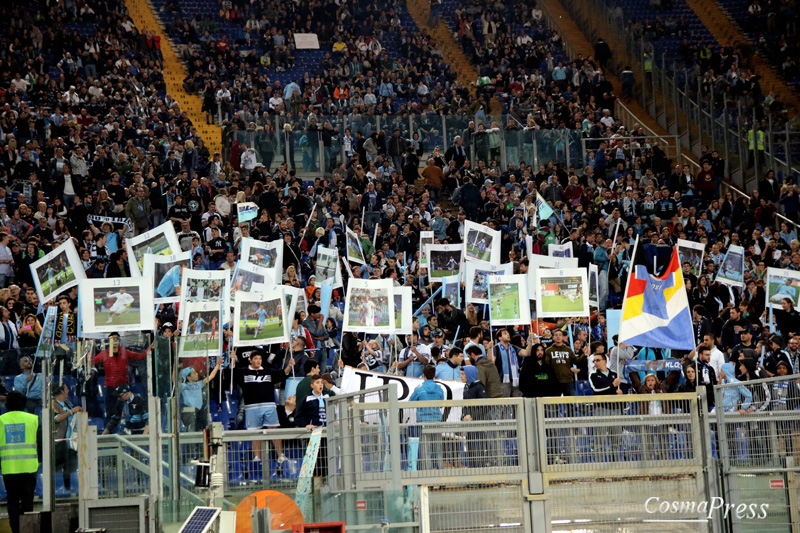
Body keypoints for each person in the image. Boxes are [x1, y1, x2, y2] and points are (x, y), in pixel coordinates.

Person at [231, 349, 296, 466]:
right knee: (255, 433)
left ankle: (280, 455)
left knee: (274, 430)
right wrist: (232, 360)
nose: (258, 361)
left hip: (269, 406)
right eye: (255, 359)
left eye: (260, 359)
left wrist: (289, 366)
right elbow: (233, 372)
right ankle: (257, 458)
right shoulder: (243, 372)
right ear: (250, 361)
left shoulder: (268, 371)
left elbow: (282, 374)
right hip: (252, 408)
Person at [0, 391, 41, 533]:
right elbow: (40, 442)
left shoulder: (1, 420)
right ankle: (27, 529)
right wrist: (39, 460)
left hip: (9, 468)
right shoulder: (33, 419)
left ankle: (16, 530)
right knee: (27, 501)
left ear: (7, 404)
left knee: (12, 501)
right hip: (29, 468)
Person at [92, 333, 152, 429]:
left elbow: (140, 357)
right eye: (112, 339)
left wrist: (150, 348)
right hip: (111, 388)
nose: (115, 341)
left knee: (127, 412)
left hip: (124, 388)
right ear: (109, 341)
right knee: (110, 413)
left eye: (116, 339)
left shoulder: (124, 352)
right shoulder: (104, 353)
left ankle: (127, 430)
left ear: (119, 340)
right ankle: (108, 436)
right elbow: (92, 361)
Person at [408, 365, 445, 470]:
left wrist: (415, 390)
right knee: (438, 450)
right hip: (437, 420)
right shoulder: (439, 389)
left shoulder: (419, 390)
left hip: (424, 421)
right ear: (434, 376)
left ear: (423, 375)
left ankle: (429, 477)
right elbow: (441, 403)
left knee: (426, 450)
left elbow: (410, 403)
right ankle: (441, 477)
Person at [52, 383, 82, 491]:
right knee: (58, 470)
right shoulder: (52, 404)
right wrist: (71, 412)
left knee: (70, 469)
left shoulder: (68, 403)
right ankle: (57, 491)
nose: (68, 390)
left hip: (71, 443)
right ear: (61, 391)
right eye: (66, 389)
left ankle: (69, 489)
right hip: (59, 442)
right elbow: (56, 418)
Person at [180, 357, 222, 431]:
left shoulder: (199, 384)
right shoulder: (184, 386)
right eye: (194, 373)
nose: (197, 374)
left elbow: (211, 376)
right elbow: (174, 381)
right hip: (189, 413)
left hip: (199, 413)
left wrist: (218, 365)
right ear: (188, 377)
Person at [544, 329, 585, 396]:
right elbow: (546, 365)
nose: (558, 337)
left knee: (570, 403)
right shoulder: (548, 350)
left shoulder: (568, 349)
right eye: (556, 335)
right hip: (555, 381)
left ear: (563, 337)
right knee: (555, 403)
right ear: (553, 337)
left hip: (568, 380)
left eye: (560, 335)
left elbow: (576, 361)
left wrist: (584, 355)